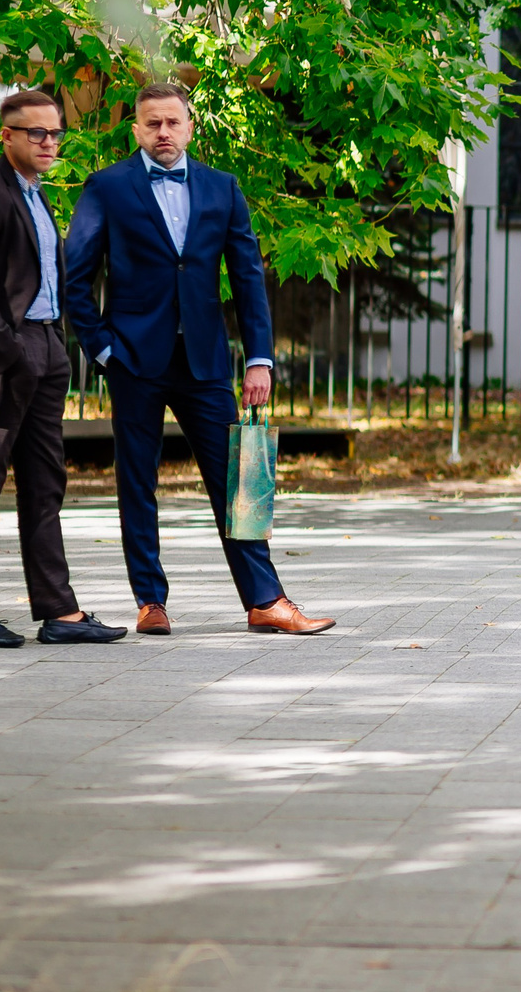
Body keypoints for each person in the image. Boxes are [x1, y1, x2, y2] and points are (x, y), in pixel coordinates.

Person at [65, 82, 335, 635]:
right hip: (134, 360)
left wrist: (259, 358)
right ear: (136, 129)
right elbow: (75, 280)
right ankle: (150, 601)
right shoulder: (107, 188)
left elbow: (248, 277)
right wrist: (103, 348)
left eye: (173, 122)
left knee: (239, 481)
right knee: (136, 482)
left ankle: (265, 600)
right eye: (152, 123)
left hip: (206, 360)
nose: (163, 132)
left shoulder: (223, 189)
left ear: (190, 126)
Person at [0, 89, 126, 648]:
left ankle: (60, 613)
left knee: (45, 486)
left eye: (55, 133)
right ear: (6, 135)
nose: (48, 142)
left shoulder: (36, 195)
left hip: (46, 349)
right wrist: (13, 355)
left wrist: (52, 345)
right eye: (36, 133)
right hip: (3, 360)